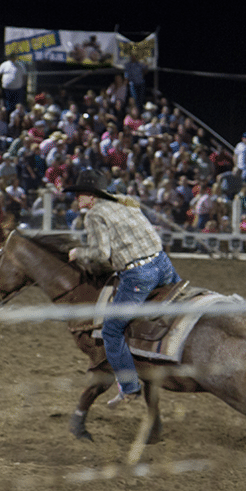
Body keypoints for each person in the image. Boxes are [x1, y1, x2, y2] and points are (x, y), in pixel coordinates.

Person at [66, 169, 181, 406]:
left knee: (111, 330)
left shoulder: (94, 215)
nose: (76, 198)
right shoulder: (125, 203)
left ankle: (129, 388)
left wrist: (79, 252)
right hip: (163, 263)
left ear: (90, 195)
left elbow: (101, 254)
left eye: (79, 194)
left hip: (139, 275)